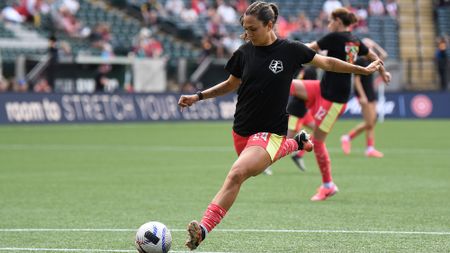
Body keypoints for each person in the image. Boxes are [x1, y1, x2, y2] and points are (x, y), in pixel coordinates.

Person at [178, 2, 383, 250]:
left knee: (236, 174)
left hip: (270, 133)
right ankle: (295, 143)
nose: (248, 34)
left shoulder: (291, 50)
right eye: (245, 29)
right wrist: (198, 96)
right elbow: (231, 84)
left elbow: (328, 63)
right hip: (241, 132)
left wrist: (361, 69)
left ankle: (203, 229)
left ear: (270, 25)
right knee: (242, 171)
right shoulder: (243, 53)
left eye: (253, 29)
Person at [290, 8, 391, 201]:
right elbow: (374, 57)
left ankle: (328, 185)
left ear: (337, 21)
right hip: (323, 88)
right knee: (288, 85)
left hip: (334, 99)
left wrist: (285, 49)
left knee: (318, 142)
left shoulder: (334, 37)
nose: (328, 23)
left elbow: (308, 48)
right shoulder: (355, 40)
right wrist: (383, 72)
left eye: (330, 20)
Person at [341, 38, 389, 158]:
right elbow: (356, 81)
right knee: (369, 122)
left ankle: (368, 147)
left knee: (372, 121)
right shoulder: (360, 60)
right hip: (363, 94)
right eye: (368, 46)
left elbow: (384, 55)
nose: (370, 47)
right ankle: (348, 138)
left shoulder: (371, 59)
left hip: (370, 92)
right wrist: (362, 97)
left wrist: (375, 44)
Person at [287, 66, 318, 171]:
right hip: (296, 110)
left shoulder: (304, 70)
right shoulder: (311, 71)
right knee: (286, 141)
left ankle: (299, 154)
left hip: (303, 110)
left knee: (318, 128)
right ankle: (265, 163)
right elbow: (309, 92)